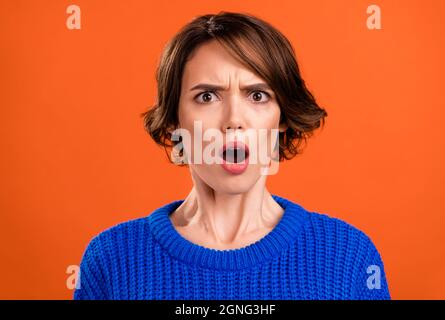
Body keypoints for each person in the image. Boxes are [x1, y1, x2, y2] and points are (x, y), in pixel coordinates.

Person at [74, 11, 390, 300]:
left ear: (281, 118)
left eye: (257, 95)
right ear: (174, 120)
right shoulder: (111, 259)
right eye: (207, 96)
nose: (233, 120)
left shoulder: (349, 256)